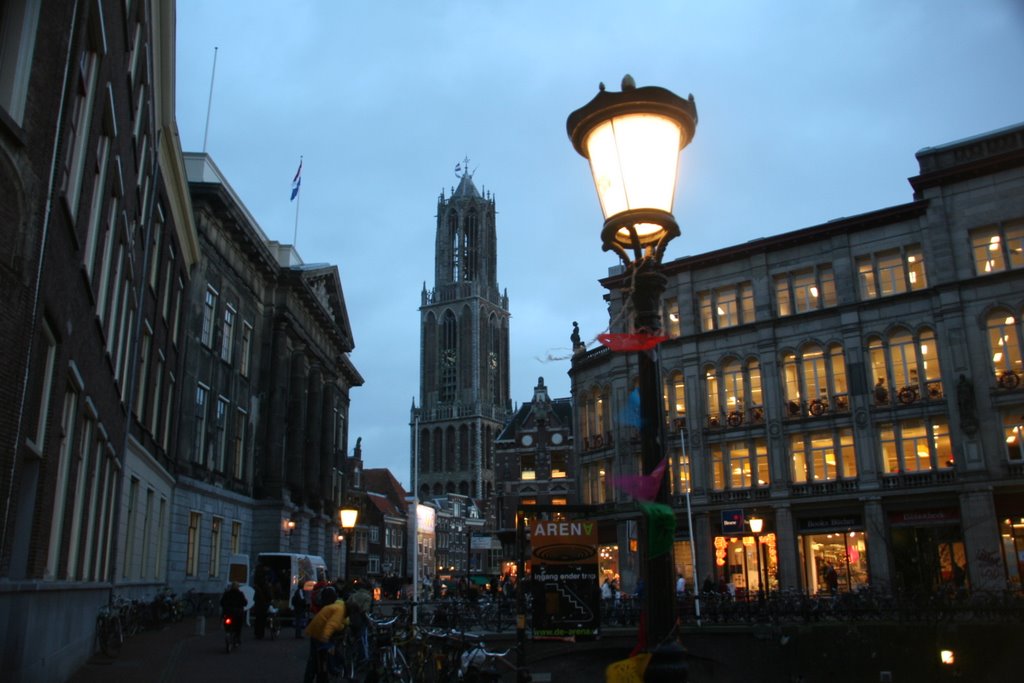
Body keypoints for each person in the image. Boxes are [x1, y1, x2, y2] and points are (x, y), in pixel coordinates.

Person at [303, 586, 346, 683]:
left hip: (315, 632)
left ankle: (311, 678)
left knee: (314, 658)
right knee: (328, 654)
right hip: (321, 634)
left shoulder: (323, 604)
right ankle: (329, 672)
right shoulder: (334, 607)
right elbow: (332, 624)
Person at [252, 570, 272, 638]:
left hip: (258, 606)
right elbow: (269, 596)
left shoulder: (257, 588)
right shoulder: (265, 587)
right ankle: (261, 634)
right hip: (263, 606)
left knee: (257, 620)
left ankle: (257, 633)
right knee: (262, 620)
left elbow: (254, 598)